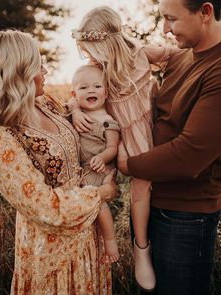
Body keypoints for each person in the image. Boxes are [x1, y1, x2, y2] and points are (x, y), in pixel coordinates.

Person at [0, 30, 118, 295]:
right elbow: (46, 208)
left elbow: (74, 103)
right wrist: (102, 193)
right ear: (18, 72)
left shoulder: (44, 103)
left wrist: (78, 109)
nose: (45, 69)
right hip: (52, 250)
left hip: (89, 234)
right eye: (37, 64)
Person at [117, 0, 221, 294]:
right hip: (154, 203)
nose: (164, 29)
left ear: (205, 12)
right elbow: (148, 53)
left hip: (186, 218)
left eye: (171, 19)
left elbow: (189, 156)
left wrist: (128, 165)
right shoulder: (183, 57)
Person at [71, 5, 174, 291]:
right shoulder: (98, 71)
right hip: (121, 139)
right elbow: (77, 88)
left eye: (92, 49)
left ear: (108, 44)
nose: (90, 57)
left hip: (153, 129)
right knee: (135, 187)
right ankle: (141, 248)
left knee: (153, 184)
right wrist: (74, 109)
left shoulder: (141, 54)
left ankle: (148, 242)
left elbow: (176, 56)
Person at [70, 64, 120, 263]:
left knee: (97, 202)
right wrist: (74, 109)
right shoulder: (76, 113)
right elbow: (69, 103)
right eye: (83, 88)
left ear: (106, 92)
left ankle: (110, 242)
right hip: (79, 169)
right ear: (74, 94)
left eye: (97, 86)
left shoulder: (107, 121)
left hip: (97, 168)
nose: (91, 90)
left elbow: (113, 147)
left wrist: (103, 158)